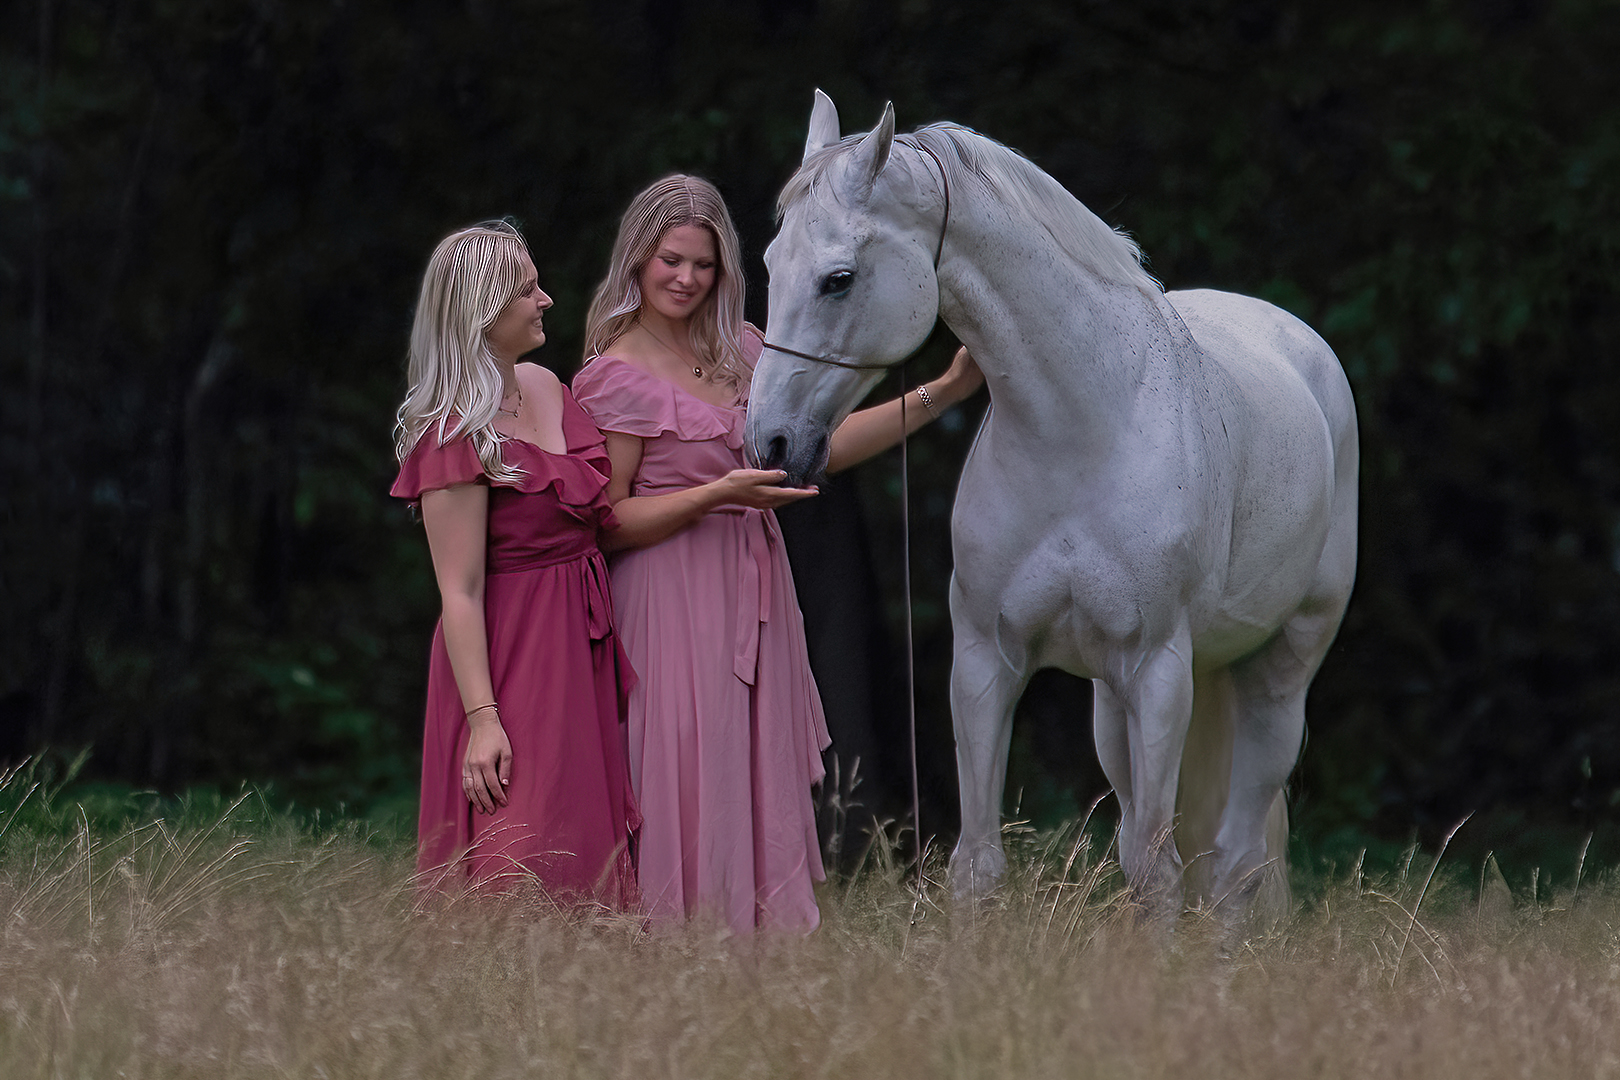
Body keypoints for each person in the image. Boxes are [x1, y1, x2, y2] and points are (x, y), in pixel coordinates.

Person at [572, 175, 981, 932]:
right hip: (666, 601)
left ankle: (751, 973)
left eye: (704, 265)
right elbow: (608, 521)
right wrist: (714, 495)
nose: (686, 279)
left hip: (755, 597)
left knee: (744, 776)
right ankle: (669, 959)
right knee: (680, 776)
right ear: (636, 259)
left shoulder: (746, 351)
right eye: (671, 260)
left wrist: (942, 393)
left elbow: (821, 447)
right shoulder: (612, 376)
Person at [391, 220, 638, 907]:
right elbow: (460, 591)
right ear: (482, 310)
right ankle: (496, 1001)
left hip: (579, 643)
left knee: (588, 842)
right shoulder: (451, 429)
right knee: (516, 851)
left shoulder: (549, 387)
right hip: (507, 655)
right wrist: (483, 719)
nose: (547, 299)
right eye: (528, 289)